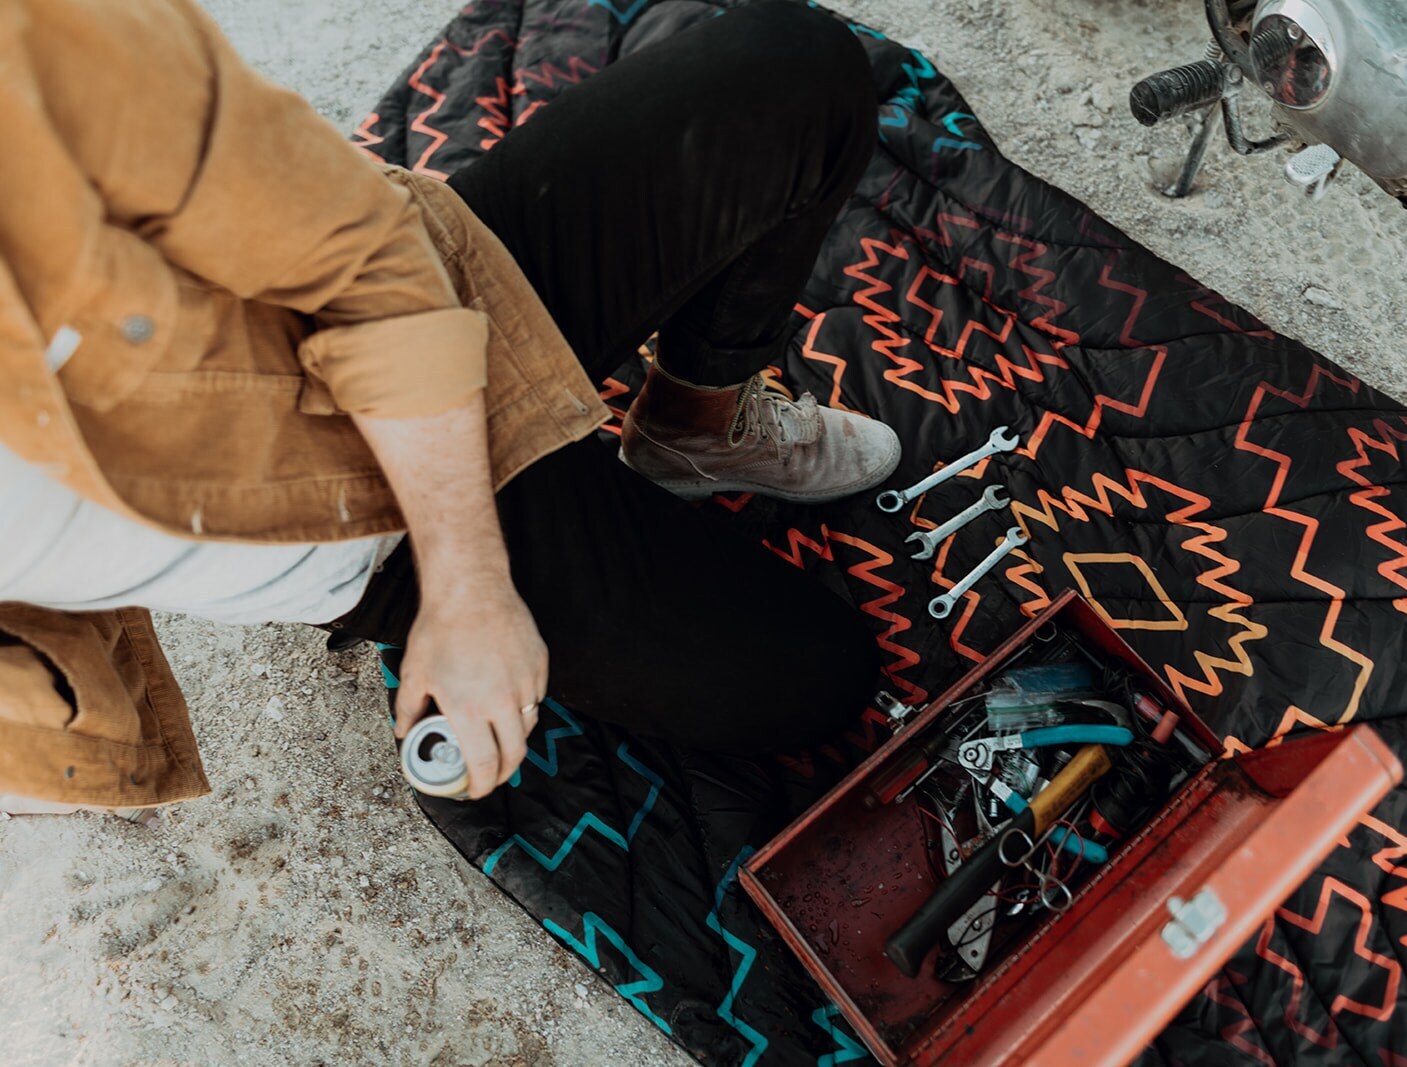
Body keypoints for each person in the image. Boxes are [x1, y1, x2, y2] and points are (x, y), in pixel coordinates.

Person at [0, 0, 900, 814]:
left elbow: (353, 250)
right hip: (358, 542)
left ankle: (695, 427)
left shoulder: (29, 52)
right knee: (827, 682)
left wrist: (472, 593)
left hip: (448, 291)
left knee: (798, 69)